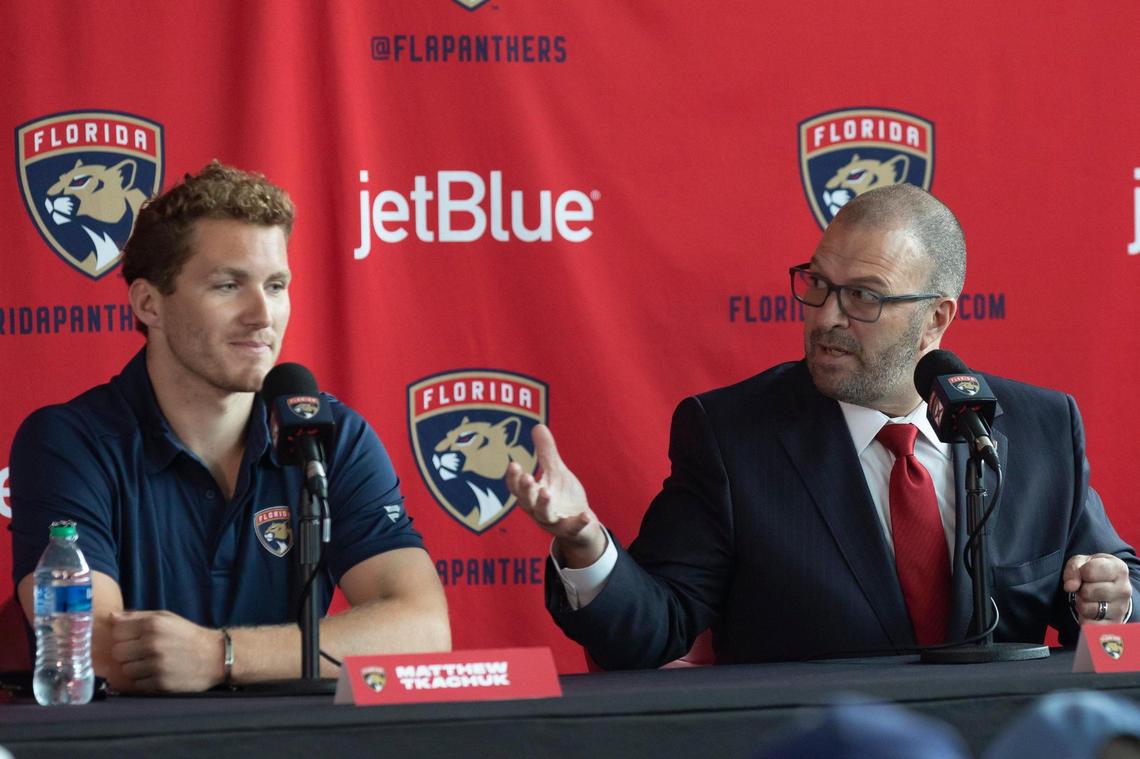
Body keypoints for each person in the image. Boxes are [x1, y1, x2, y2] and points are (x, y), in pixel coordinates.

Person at [507, 183, 1140, 669]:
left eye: (864, 295)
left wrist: (1115, 598)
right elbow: (658, 626)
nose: (826, 316)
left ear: (936, 319)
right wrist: (585, 544)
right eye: (817, 283)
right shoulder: (734, 437)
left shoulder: (1037, 427)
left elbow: (1112, 580)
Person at [10, 161, 450, 693]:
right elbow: (100, 651)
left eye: (276, 284)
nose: (262, 314)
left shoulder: (329, 436)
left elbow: (423, 629)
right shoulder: (69, 442)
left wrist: (220, 654)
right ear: (149, 303)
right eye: (227, 285)